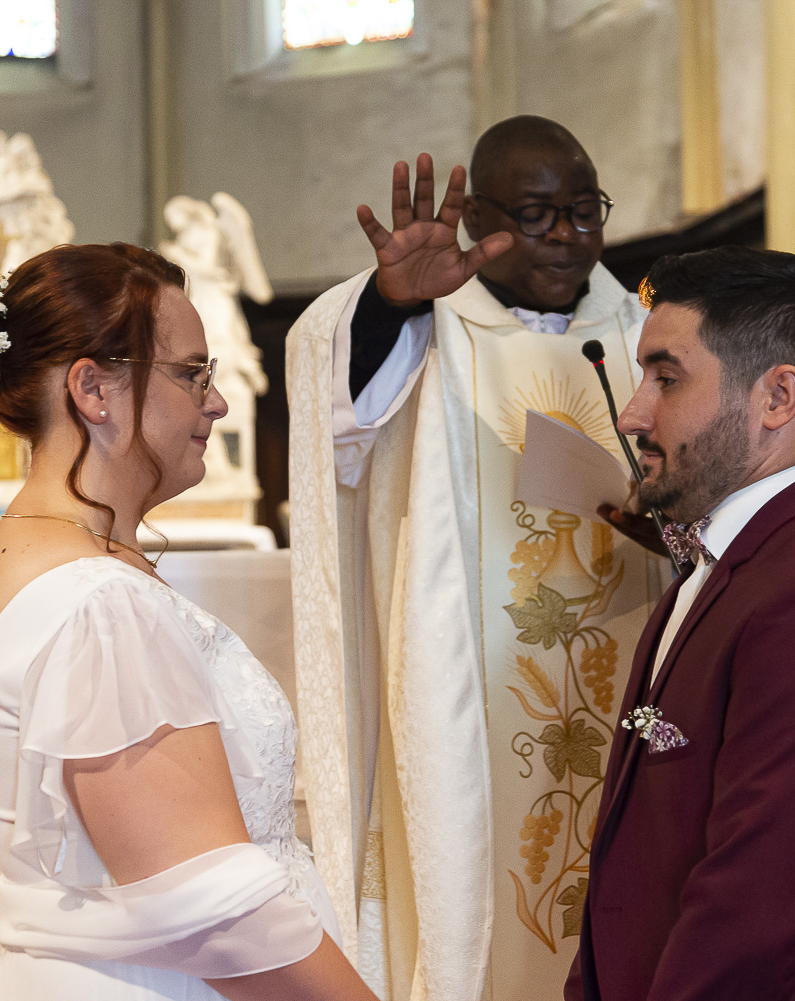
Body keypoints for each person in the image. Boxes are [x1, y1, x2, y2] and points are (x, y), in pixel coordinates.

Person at [287, 117, 669, 1000]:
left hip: (632, 676)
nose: (569, 235)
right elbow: (337, 409)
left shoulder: (646, 324)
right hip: (472, 698)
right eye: (539, 215)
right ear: (480, 219)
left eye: (584, 209)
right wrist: (390, 308)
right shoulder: (427, 319)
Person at [0, 243, 379, 1001]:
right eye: (191, 373)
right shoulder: (97, 605)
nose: (217, 401)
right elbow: (210, 908)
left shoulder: (55, 554)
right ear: (93, 388)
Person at [567, 247, 795, 1001]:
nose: (634, 413)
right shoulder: (716, 569)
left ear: (777, 397)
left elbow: (748, 922)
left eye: (666, 378)